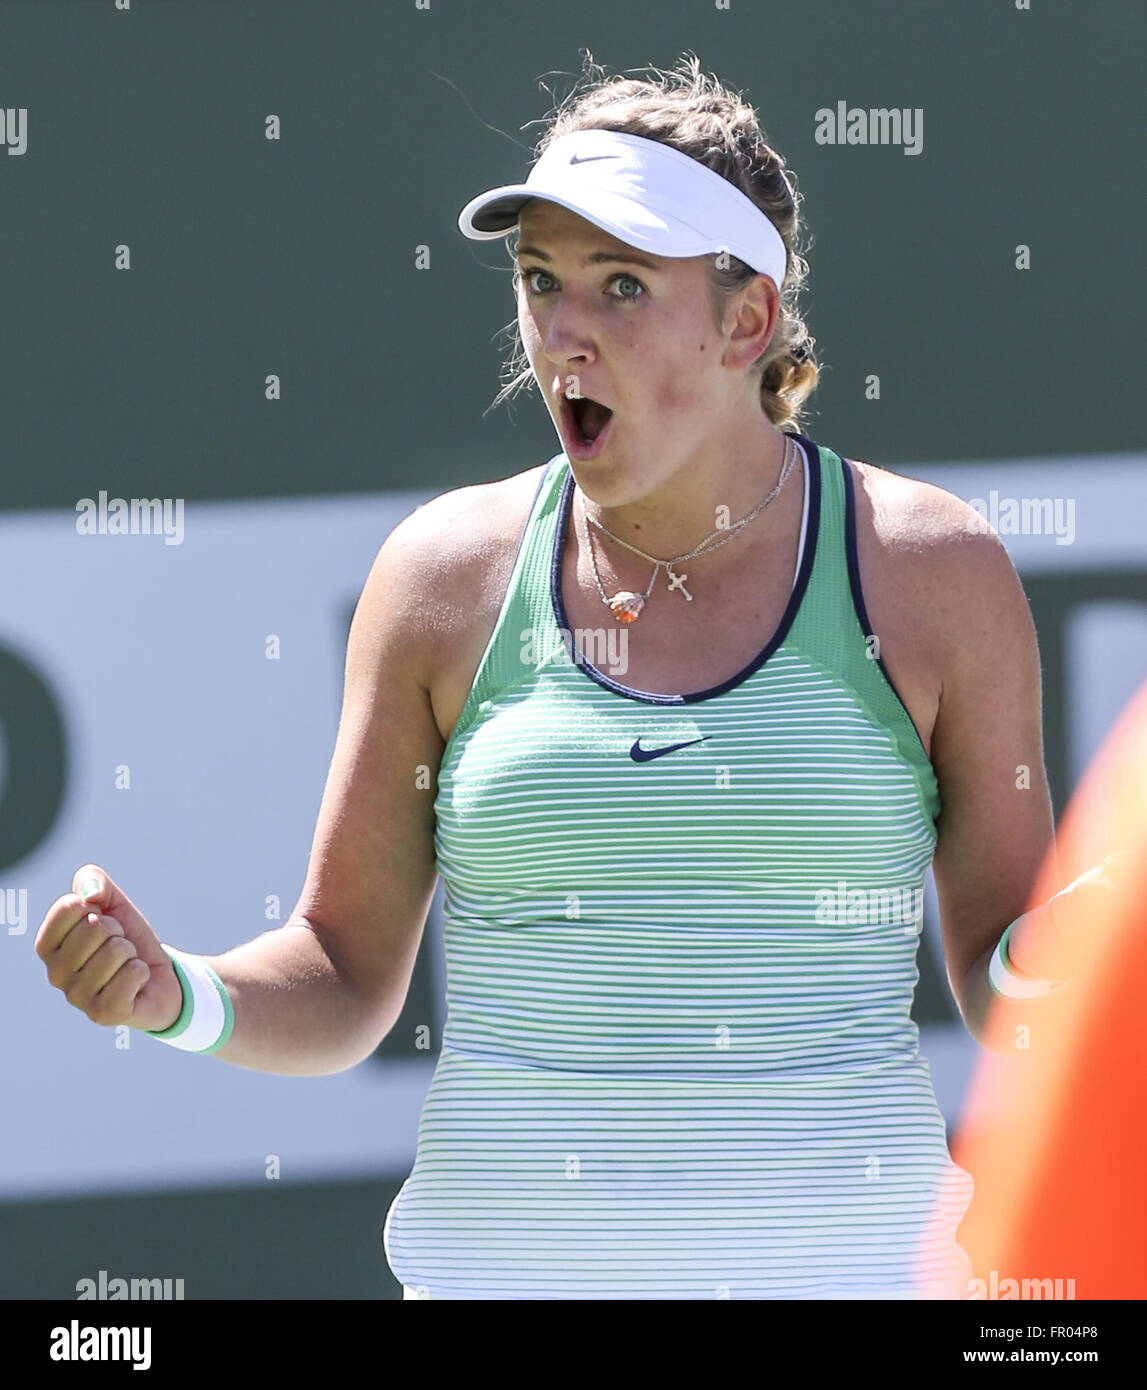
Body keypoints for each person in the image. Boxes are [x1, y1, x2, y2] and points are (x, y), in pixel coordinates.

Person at [33, 54, 1093, 1299]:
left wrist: (1090, 948)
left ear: (746, 319)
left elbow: (1007, 987)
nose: (563, 331)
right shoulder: (441, 578)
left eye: (622, 285)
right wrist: (179, 998)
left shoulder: (932, 575)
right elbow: (341, 968)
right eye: (540, 281)